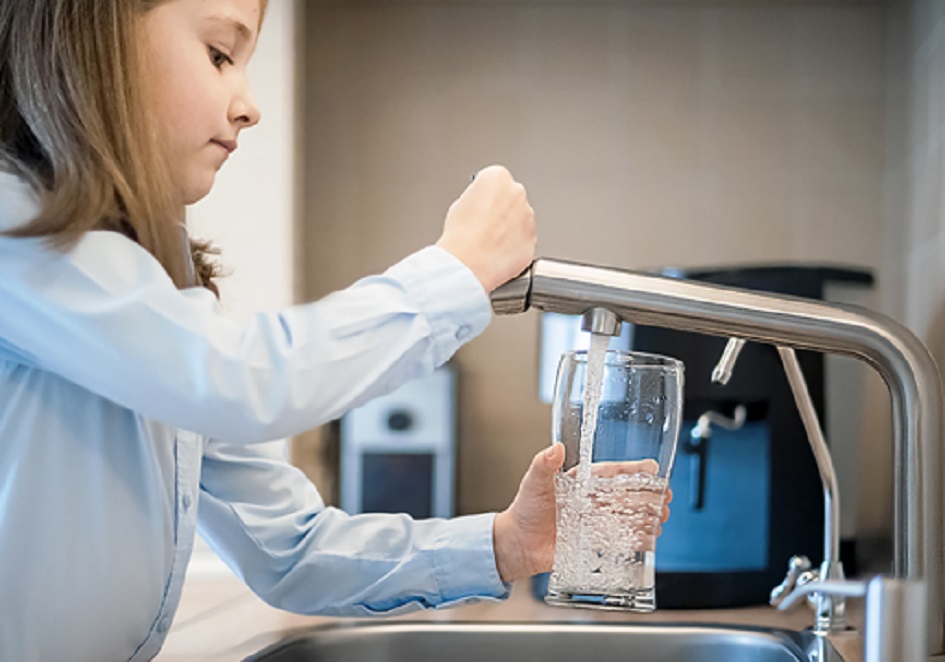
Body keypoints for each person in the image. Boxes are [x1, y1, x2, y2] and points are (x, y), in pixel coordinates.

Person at [0, 1, 670, 660]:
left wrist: (507, 543)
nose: (248, 105)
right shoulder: (14, 226)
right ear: (93, 36)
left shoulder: (140, 285)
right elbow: (240, 381)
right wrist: (452, 273)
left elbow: (288, 548)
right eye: (218, 54)